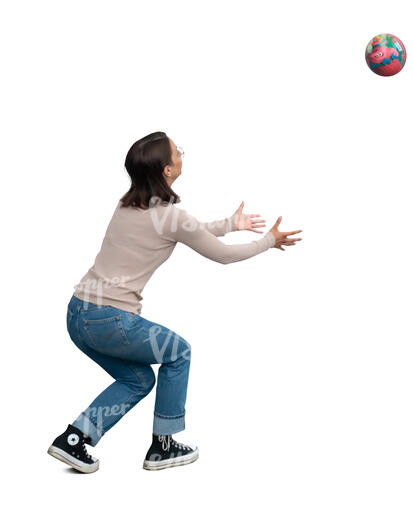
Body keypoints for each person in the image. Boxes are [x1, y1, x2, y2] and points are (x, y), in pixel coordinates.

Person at [48, 131, 302, 473]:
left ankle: (74, 439)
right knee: (178, 352)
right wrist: (268, 241)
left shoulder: (127, 204)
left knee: (138, 380)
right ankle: (163, 446)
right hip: (111, 321)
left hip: (78, 314)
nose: (181, 155)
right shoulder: (170, 217)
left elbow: (186, 229)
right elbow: (221, 256)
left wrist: (229, 223)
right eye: (177, 152)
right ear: (167, 170)